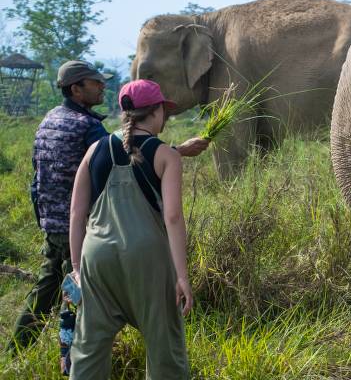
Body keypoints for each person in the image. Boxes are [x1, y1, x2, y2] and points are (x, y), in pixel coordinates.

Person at [7, 61, 207, 353]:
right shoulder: (88, 128)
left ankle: (17, 350)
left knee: (48, 290)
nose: (102, 86)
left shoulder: (49, 118)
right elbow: (124, 157)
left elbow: (36, 177)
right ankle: (77, 361)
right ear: (76, 89)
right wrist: (177, 152)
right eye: (94, 82)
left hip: (52, 223)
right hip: (87, 228)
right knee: (83, 306)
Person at [64, 79, 196, 380]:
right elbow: (172, 217)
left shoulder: (95, 149)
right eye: (163, 112)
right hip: (147, 260)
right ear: (155, 113)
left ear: (125, 114)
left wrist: (76, 266)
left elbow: (77, 212)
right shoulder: (165, 155)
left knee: (88, 351)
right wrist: (182, 276)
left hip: (96, 257)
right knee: (163, 346)